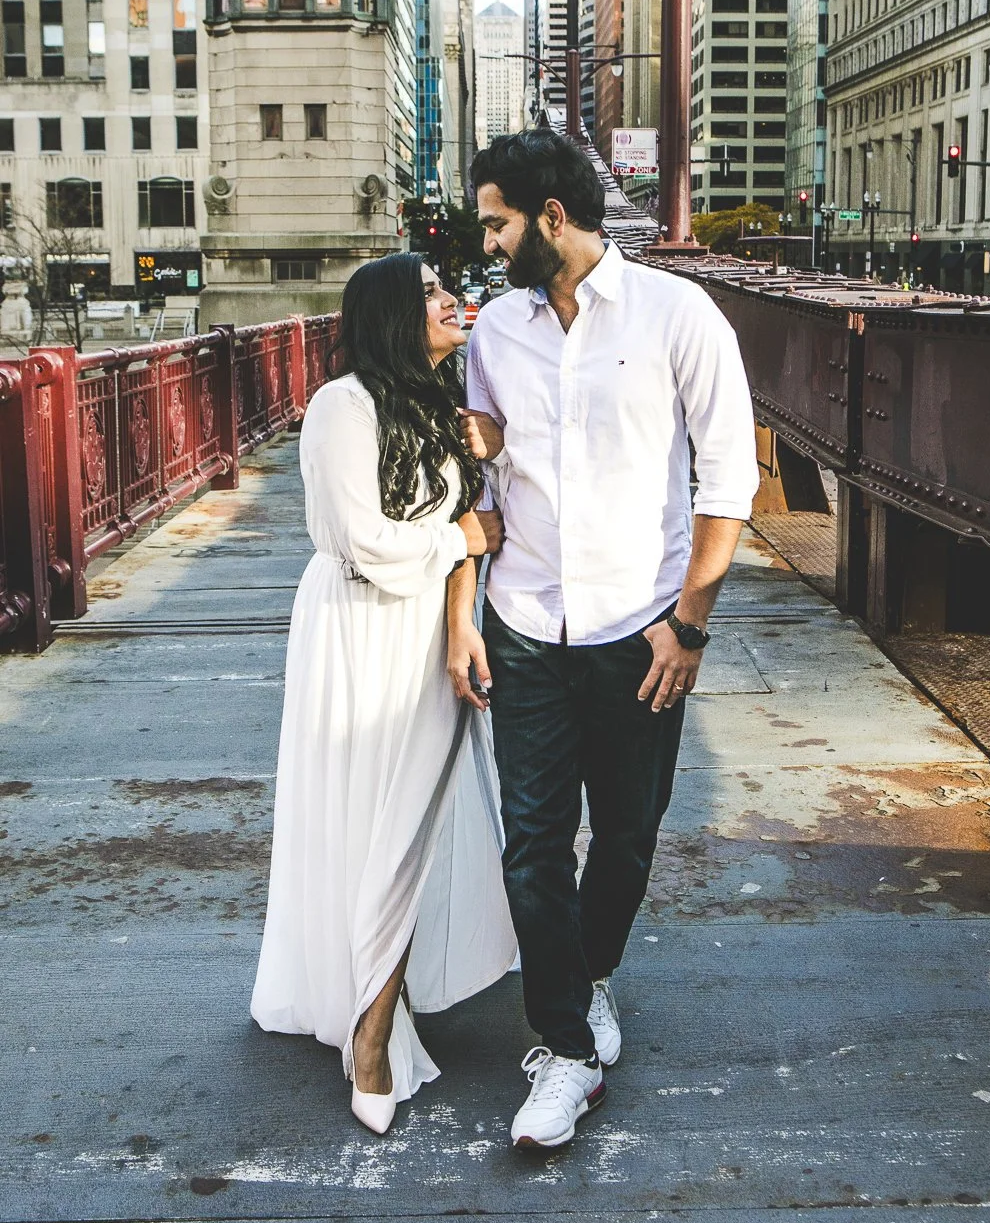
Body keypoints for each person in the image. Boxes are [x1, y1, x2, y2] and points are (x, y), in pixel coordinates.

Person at [451, 129, 759, 1151]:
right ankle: (564, 1049)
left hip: (642, 625)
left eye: (495, 222)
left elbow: (728, 481)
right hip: (530, 620)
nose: (486, 243)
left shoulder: (679, 314)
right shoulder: (496, 330)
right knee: (532, 843)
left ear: (548, 217)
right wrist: (473, 504)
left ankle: (586, 979)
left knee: (625, 834)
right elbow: (484, 463)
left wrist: (690, 627)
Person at [251, 253, 517, 1136]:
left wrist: (461, 618)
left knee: (413, 821)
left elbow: (466, 536)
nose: (454, 300)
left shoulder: (440, 411)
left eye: (452, 288)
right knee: (365, 823)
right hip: (356, 628)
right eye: (434, 292)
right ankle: (369, 1032)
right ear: (393, 315)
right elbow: (368, 541)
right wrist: (459, 538)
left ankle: (376, 1007)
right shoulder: (342, 406)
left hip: (425, 635)